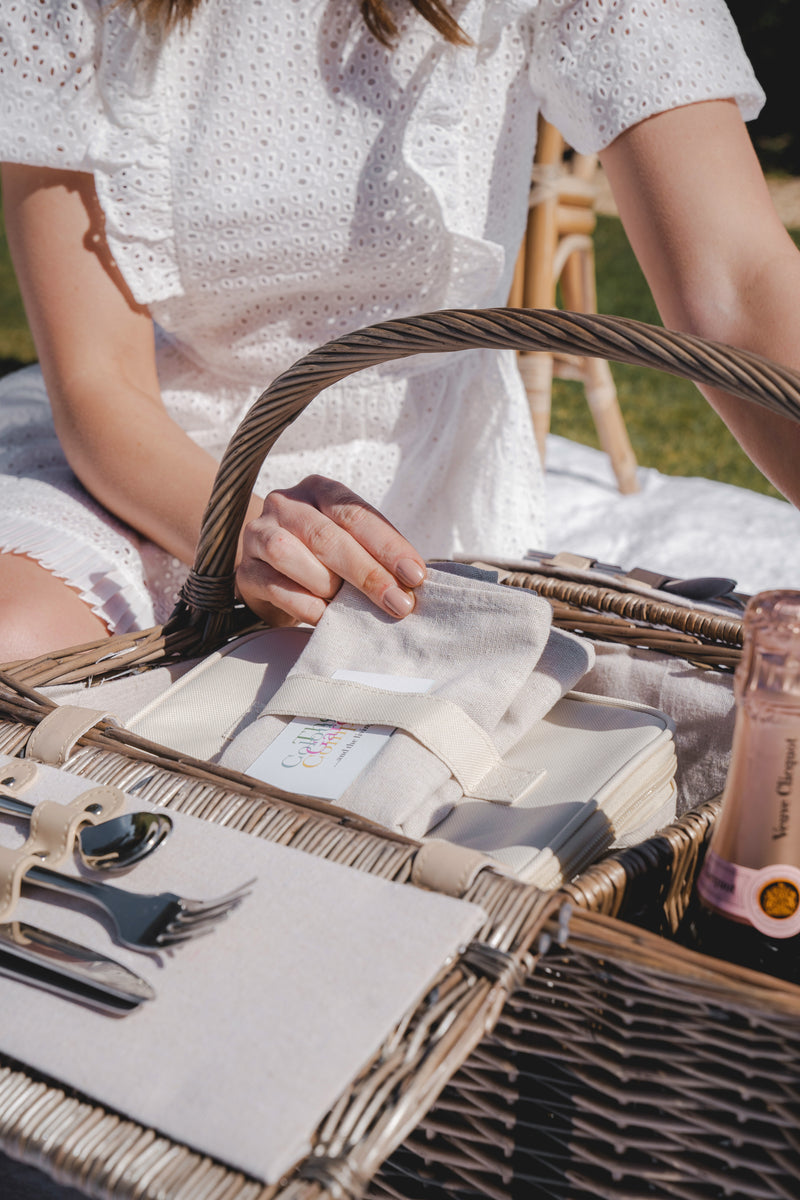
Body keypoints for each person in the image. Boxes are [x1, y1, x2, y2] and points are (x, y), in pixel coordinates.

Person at [1, 0, 799, 664]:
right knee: (18, 643)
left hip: (417, 476)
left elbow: (737, 281)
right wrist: (240, 532)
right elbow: (98, 380)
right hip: (155, 462)